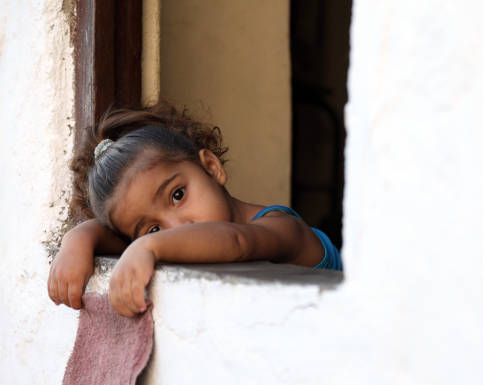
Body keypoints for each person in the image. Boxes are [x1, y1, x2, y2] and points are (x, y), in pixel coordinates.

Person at [48, 104, 342, 317]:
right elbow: (122, 239)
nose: (178, 228)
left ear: (211, 168)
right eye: (153, 228)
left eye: (177, 195)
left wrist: (149, 244)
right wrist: (78, 240)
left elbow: (237, 242)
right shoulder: (168, 242)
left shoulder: (283, 228)